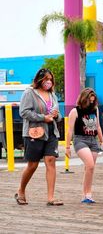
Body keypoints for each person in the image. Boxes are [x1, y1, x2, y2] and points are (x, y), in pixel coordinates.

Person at [15, 68, 63, 206]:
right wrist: (43, 118)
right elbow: (24, 112)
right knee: (33, 164)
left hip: (51, 132)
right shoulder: (29, 93)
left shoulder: (52, 95)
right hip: (34, 132)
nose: (49, 82)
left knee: (51, 160)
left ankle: (51, 197)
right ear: (39, 79)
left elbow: (58, 115)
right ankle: (21, 191)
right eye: (46, 79)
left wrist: (55, 115)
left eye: (50, 79)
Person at [65, 88, 103, 204]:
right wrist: (67, 147)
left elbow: (97, 126)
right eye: (90, 101)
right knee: (90, 165)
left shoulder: (95, 109)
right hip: (80, 140)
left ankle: (86, 194)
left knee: (90, 169)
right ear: (84, 99)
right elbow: (69, 131)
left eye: (93, 101)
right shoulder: (75, 111)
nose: (91, 103)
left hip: (93, 140)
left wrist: (102, 141)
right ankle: (88, 194)